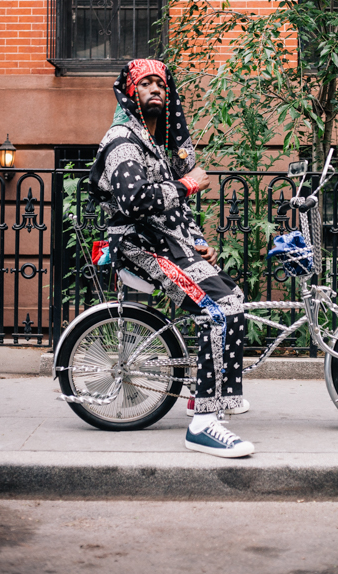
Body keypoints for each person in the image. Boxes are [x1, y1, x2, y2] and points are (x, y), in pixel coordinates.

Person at [89, 59, 254, 458]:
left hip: (168, 244)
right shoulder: (123, 141)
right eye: (145, 83)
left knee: (234, 298)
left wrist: (198, 242)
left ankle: (212, 396)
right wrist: (186, 184)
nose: (155, 90)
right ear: (131, 93)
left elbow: (172, 214)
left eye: (159, 84)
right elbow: (133, 203)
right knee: (218, 309)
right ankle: (203, 427)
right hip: (140, 247)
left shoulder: (154, 145)